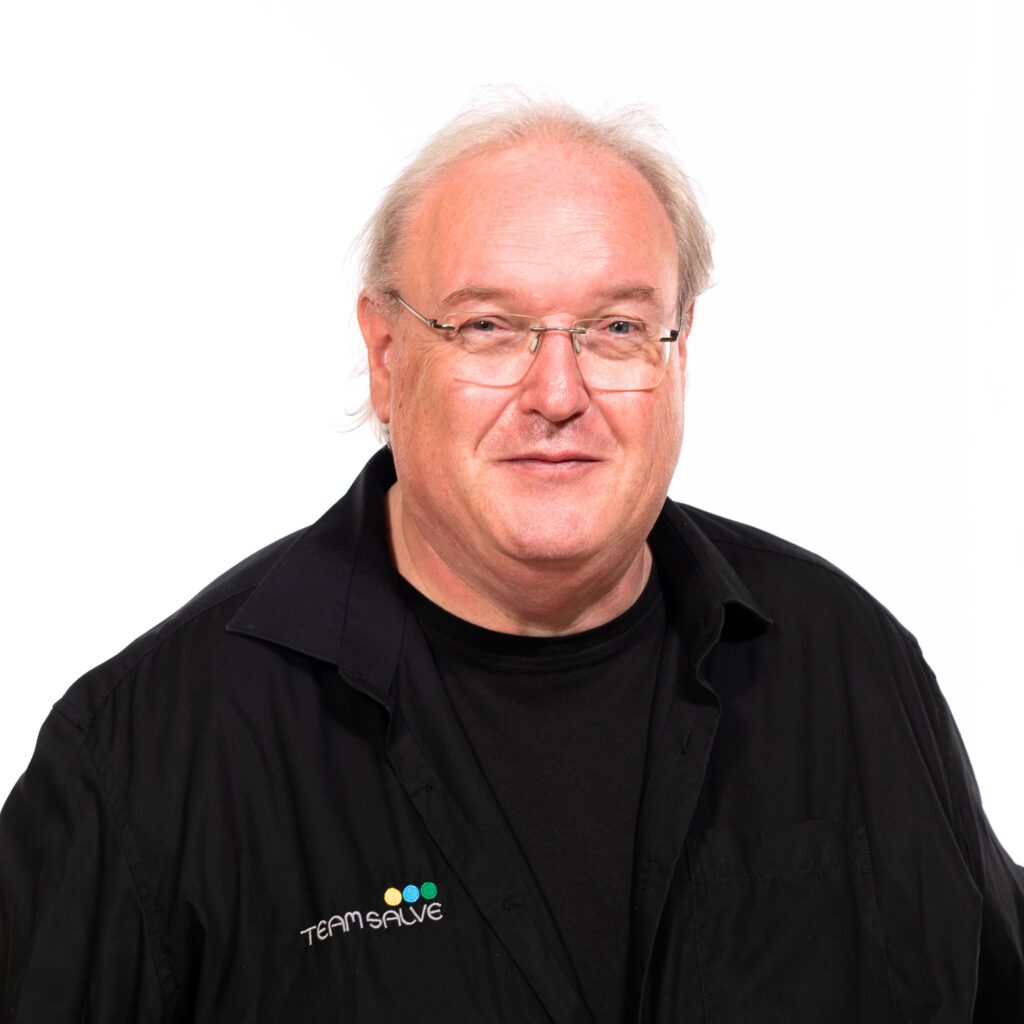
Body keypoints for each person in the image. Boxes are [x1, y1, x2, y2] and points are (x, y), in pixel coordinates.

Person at [1, 98, 1022, 1024]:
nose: (558, 393)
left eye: (617, 328)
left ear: (677, 352)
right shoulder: (148, 754)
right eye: (490, 328)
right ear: (387, 355)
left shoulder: (853, 669)